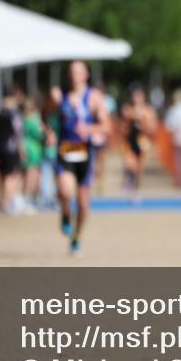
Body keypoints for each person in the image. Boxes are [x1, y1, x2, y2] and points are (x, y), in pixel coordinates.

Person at [55, 61, 111, 255]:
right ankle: (64, 214)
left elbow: (106, 126)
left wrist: (88, 128)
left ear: (85, 75)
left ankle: (77, 237)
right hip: (65, 151)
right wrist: (48, 131)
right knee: (64, 191)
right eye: (71, 72)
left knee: (83, 203)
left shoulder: (94, 97)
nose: (74, 76)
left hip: (85, 153)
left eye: (78, 72)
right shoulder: (58, 96)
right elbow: (45, 115)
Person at [121, 83, 158, 200]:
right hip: (129, 142)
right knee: (130, 165)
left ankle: (134, 189)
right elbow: (124, 123)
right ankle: (128, 179)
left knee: (139, 170)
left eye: (139, 96)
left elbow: (153, 127)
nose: (136, 98)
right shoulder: (127, 109)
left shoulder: (149, 110)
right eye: (134, 96)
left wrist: (143, 122)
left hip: (143, 142)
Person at [0, 91, 25, 214]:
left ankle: (2, 201)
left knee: (2, 175)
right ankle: (7, 203)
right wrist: (21, 149)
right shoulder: (14, 116)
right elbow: (18, 134)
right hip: (11, 150)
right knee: (11, 176)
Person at [21, 97, 45, 209]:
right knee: (32, 175)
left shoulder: (23, 119)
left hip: (28, 148)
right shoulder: (33, 120)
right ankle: (27, 198)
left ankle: (28, 198)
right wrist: (43, 130)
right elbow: (39, 134)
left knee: (29, 175)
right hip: (33, 149)